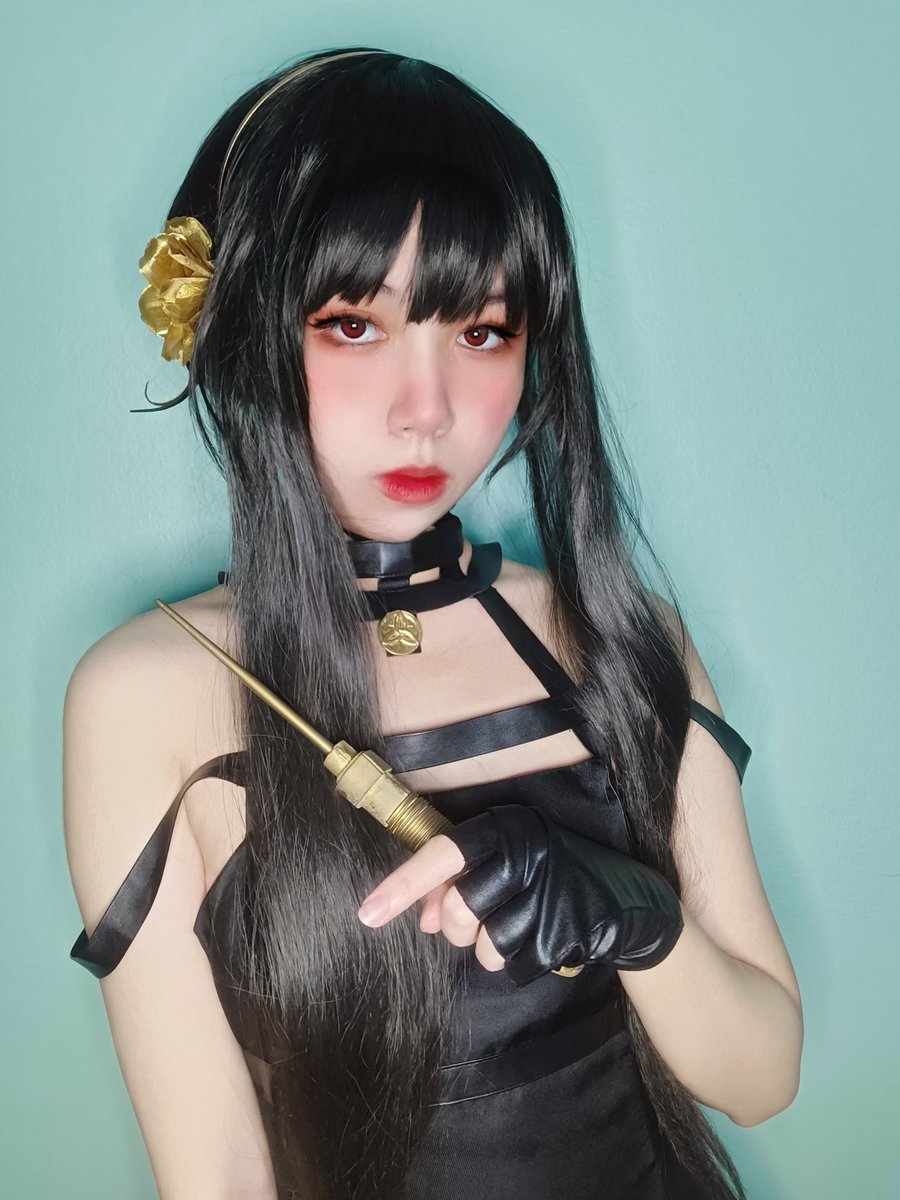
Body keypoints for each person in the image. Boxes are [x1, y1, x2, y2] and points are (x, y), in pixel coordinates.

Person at [63, 47, 803, 1200]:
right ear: (245, 330)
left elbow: (761, 1079)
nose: (429, 410)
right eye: (354, 326)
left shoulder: (620, 635)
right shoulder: (145, 692)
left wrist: (634, 921)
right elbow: (214, 1172)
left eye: (483, 332)